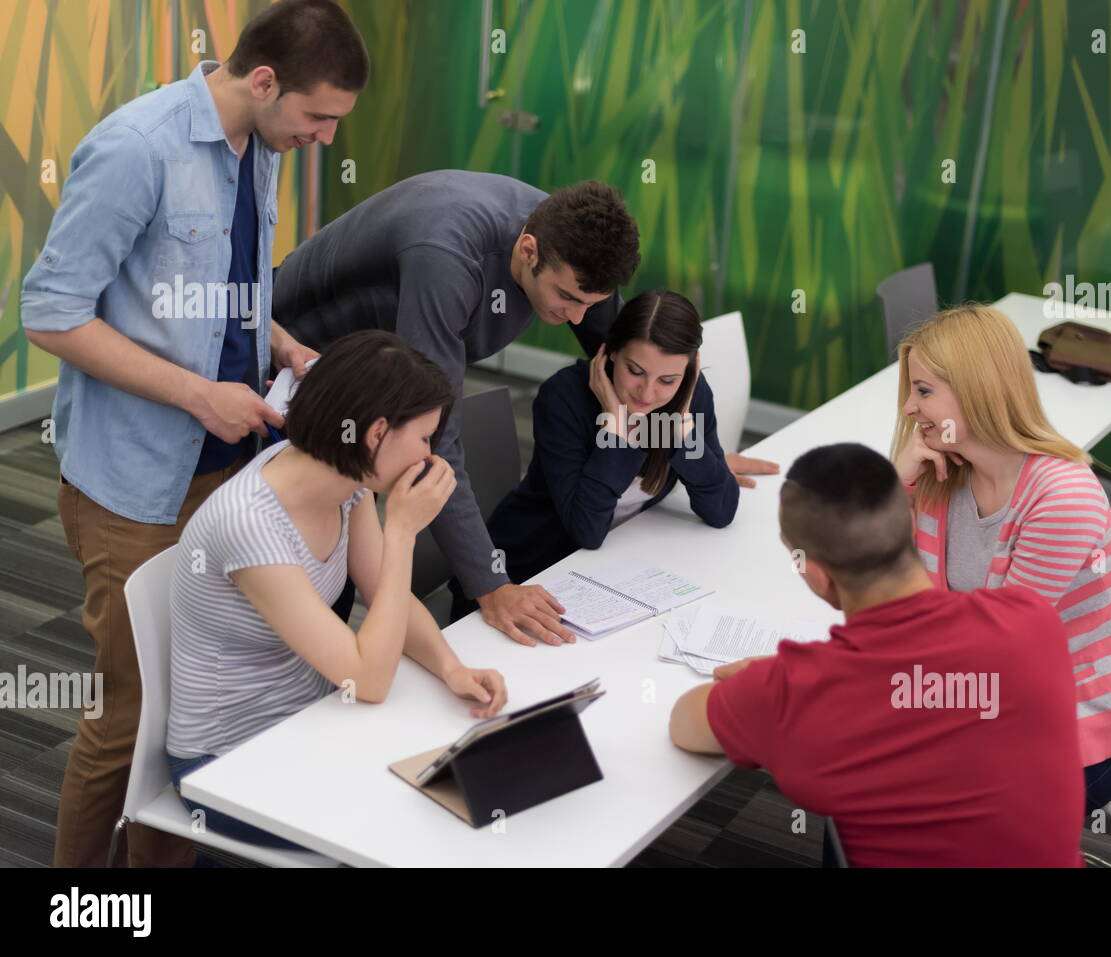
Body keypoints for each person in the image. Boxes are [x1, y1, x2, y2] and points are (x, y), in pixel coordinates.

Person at [19, 0, 367, 866]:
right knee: (128, 717)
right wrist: (198, 395)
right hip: (134, 483)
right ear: (264, 81)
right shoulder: (137, 149)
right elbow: (50, 314)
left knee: (192, 709)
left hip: (230, 471)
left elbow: (219, 285)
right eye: (320, 116)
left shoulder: (262, 144)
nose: (326, 137)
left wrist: (279, 343)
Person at [272, 171, 778, 645]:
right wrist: (491, 585)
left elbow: (637, 364)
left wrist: (684, 452)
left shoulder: (573, 246)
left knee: (339, 551)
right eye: (567, 298)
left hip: (379, 369)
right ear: (528, 250)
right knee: (311, 576)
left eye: (591, 303)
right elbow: (436, 438)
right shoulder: (446, 261)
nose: (577, 318)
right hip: (297, 364)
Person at [669, 443, 1084, 867]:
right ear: (909, 524)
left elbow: (685, 724)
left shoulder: (795, 693)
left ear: (816, 574)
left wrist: (768, 684)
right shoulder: (1030, 619)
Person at [167, 330, 506, 847]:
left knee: (464, 779)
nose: (429, 455)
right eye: (424, 438)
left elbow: (388, 595)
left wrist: (450, 667)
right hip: (228, 761)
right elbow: (368, 681)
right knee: (424, 823)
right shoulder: (251, 524)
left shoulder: (347, 481)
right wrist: (402, 532)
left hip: (316, 719)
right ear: (376, 433)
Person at [889, 304, 1111, 812]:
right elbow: (874, 576)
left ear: (978, 391)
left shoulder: (1063, 499)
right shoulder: (944, 474)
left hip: (1071, 738)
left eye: (922, 391)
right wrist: (894, 484)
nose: (908, 408)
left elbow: (996, 651)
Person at [457, 291, 739, 629]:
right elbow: (587, 530)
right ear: (611, 352)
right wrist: (617, 433)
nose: (647, 393)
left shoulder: (689, 396)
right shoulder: (564, 398)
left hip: (606, 574)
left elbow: (721, 511)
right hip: (526, 576)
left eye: (667, 380)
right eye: (635, 370)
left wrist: (683, 437)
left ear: (689, 369)